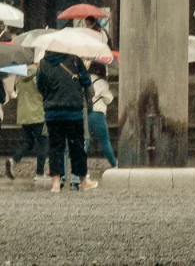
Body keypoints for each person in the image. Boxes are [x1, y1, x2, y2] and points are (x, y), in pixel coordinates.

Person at [36, 50, 92, 191]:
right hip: (73, 111)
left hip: (52, 112)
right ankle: (82, 180)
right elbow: (86, 81)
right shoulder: (75, 60)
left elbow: (40, 85)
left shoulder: (44, 63)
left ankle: (56, 183)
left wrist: (51, 96)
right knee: (77, 147)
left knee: (55, 147)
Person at [10, 61, 48, 174]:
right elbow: (45, 92)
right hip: (38, 114)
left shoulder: (19, 75)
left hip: (24, 114)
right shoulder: (40, 74)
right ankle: (40, 173)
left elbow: (16, 92)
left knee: (29, 142)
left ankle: (14, 159)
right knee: (43, 143)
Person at [86, 69, 117, 168]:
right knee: (105, 141)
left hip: (86, 114)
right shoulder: (101, 82)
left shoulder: (86, 79)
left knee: (85, 141)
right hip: (98, 115)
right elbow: (109, 99)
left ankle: (79, 168)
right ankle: (114, 164)